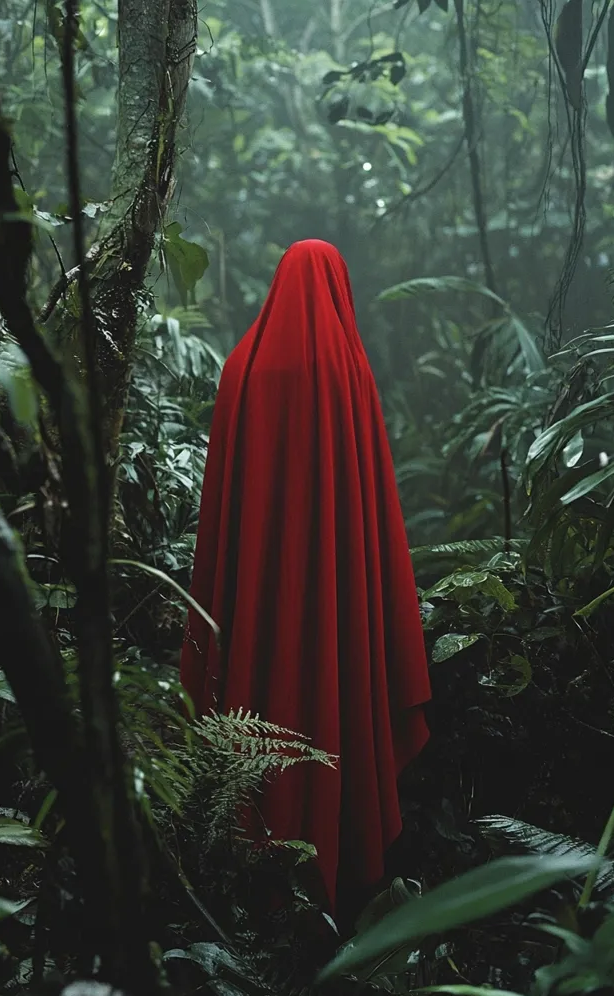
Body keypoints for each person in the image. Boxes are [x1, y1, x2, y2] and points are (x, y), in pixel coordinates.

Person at [180, 238, 431, 913]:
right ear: (337, 290)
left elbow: (226, 530)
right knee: (336, 678)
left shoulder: (242, 369)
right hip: (338, 618)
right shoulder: (349, 370)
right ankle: (342, 884)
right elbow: (370, 524)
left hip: (260, 611)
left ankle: (245, 877)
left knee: (259, 679)